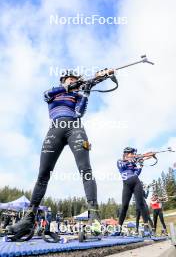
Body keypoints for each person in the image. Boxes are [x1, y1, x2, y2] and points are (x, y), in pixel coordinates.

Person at [7, 70, 100, 237]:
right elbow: (45, 94)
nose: (74, 82)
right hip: (55, 129)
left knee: (85, 170)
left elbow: (79, 113)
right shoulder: (54, 93)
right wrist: (71, 86)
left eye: (76, 80)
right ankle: (28, 220)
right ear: (64, 80)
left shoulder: (77, 95)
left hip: (75, 127)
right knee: (43, 174)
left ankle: (94, 219)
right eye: (71, 80)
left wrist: (86, 91)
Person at [117, 147, 150, 234]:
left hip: (136, 182)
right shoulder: (120, 161)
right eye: (132, 154)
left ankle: (146, 228)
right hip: (126, 184)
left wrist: (141, 164)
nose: (133, 155)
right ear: (126, 154)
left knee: (141, 204)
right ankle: (118, 229)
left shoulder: (133, 163)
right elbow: (123, 166)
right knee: (124, 206)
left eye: (133, 154)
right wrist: (136, 158)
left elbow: (137, 173)